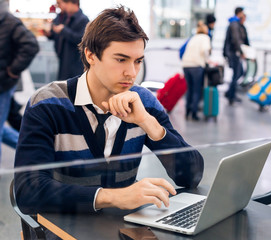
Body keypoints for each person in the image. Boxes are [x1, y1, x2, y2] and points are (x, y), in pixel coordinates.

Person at [14, 6, 204, 215]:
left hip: (125, 227)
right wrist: (112, 197)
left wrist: (147, 122)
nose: (131, 73)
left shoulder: (143, 103)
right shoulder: (48, 104)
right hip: (65, 228)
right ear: (90, 55)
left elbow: (192, 177)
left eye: (138, 61)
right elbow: (27, 192)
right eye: (121, 59)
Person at [0, 0, 39, 165]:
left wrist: (13, 70)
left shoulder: (9, 21)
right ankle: (37, 151)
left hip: (3, 85)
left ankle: (37, 151)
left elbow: (30, 45)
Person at [50, 0, 89, 80]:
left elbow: (82, 39)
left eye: (67, 3)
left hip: (75, 63)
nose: (65, 6)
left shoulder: (83, 19)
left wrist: (64, 30)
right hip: (64, 59)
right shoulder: (65, 17)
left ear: (74, 3)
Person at [182, 21, 211, 121]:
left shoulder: (193, 38)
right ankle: (194, 113)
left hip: (186, 65)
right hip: (196, 66)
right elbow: (205, 50)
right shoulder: (205, 38)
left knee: (189, 89)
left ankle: (187, 112)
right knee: (196, 90)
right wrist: (207, 60)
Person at [223, 7, 246, 105]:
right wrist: (241, 52)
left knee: (239, 72)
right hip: (233, 53)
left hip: (233, 53)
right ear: (239, 13)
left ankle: (230, 93)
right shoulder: (234, 25)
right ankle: (231, 95)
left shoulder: (236, 24)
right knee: (237, 73)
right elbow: (236, 40)